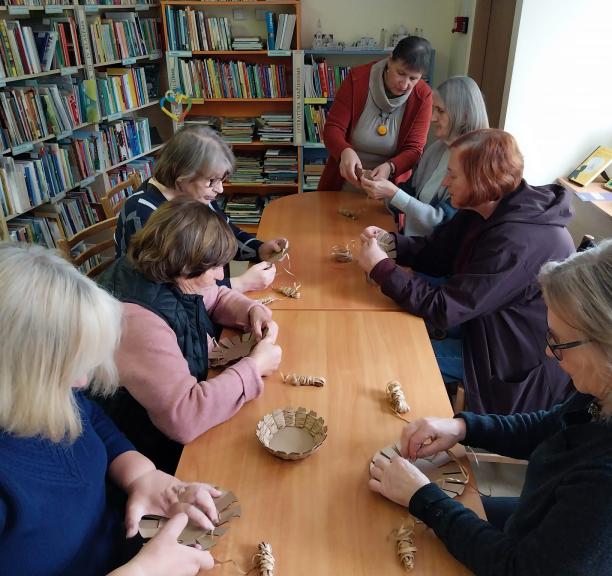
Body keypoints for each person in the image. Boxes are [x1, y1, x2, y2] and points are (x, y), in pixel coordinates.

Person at [368, 239, 612, 575]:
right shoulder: (600, 393)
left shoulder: (602, 486)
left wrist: (424, 498)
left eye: (559, 342)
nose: (547, 353)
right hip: (535, 523)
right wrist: (463, 427)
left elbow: (517, 568)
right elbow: (552, 425)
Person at [0, 242, 218, 576]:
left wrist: (141, 475)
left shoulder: (44, 396)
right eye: (69, 367)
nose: (83, 381)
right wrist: (142, 572)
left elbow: (92, 418)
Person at [358, 129, 574, 414]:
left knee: (387, 354)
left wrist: (382, 269)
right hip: (479, 326)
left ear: (482, 181)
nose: (446, 183)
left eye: (453, 175)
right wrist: (393, 245)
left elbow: (445, 308)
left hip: (505, 359)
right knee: (381, 331)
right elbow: (438, 254)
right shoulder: (483, 207)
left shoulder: (518, 243)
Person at [98, 198, 282, 473]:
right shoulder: (138, 320)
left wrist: (250, 310)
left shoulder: (163, 266)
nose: (221, 274)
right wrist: (254, 368)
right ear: (185, 267)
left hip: (163, 424)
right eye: (215, 268)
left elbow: (213, 295)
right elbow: (184, 417)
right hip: (144, 451)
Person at [114, 125, 287, 293]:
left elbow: (228, 234)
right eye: (212, 180)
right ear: (181, 174)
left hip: (209, 302)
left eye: (222, 179)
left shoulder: (195, 196)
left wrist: (259, 249)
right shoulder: (142, 212)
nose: (220, 189)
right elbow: (161, 291)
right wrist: (239, 284)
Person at [362, 75, 489, 236]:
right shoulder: (436, 148)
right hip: (412, 245)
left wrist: (392, 193)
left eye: (440, 111)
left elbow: (442, 222)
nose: (432, 118)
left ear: (464, 116)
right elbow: (409, 192)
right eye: (434, 109)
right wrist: (381, 190)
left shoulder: (476, 165)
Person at [318, 36, 433, 191]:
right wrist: (344, 150)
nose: (405, 84)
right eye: (401, 73)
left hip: (387, 188)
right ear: (390, 60)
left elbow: (414, 149)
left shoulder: (423, 96)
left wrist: (390, 167)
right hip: (344, 182)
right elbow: (333, 128)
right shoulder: (357, 79)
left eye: (413, 78)